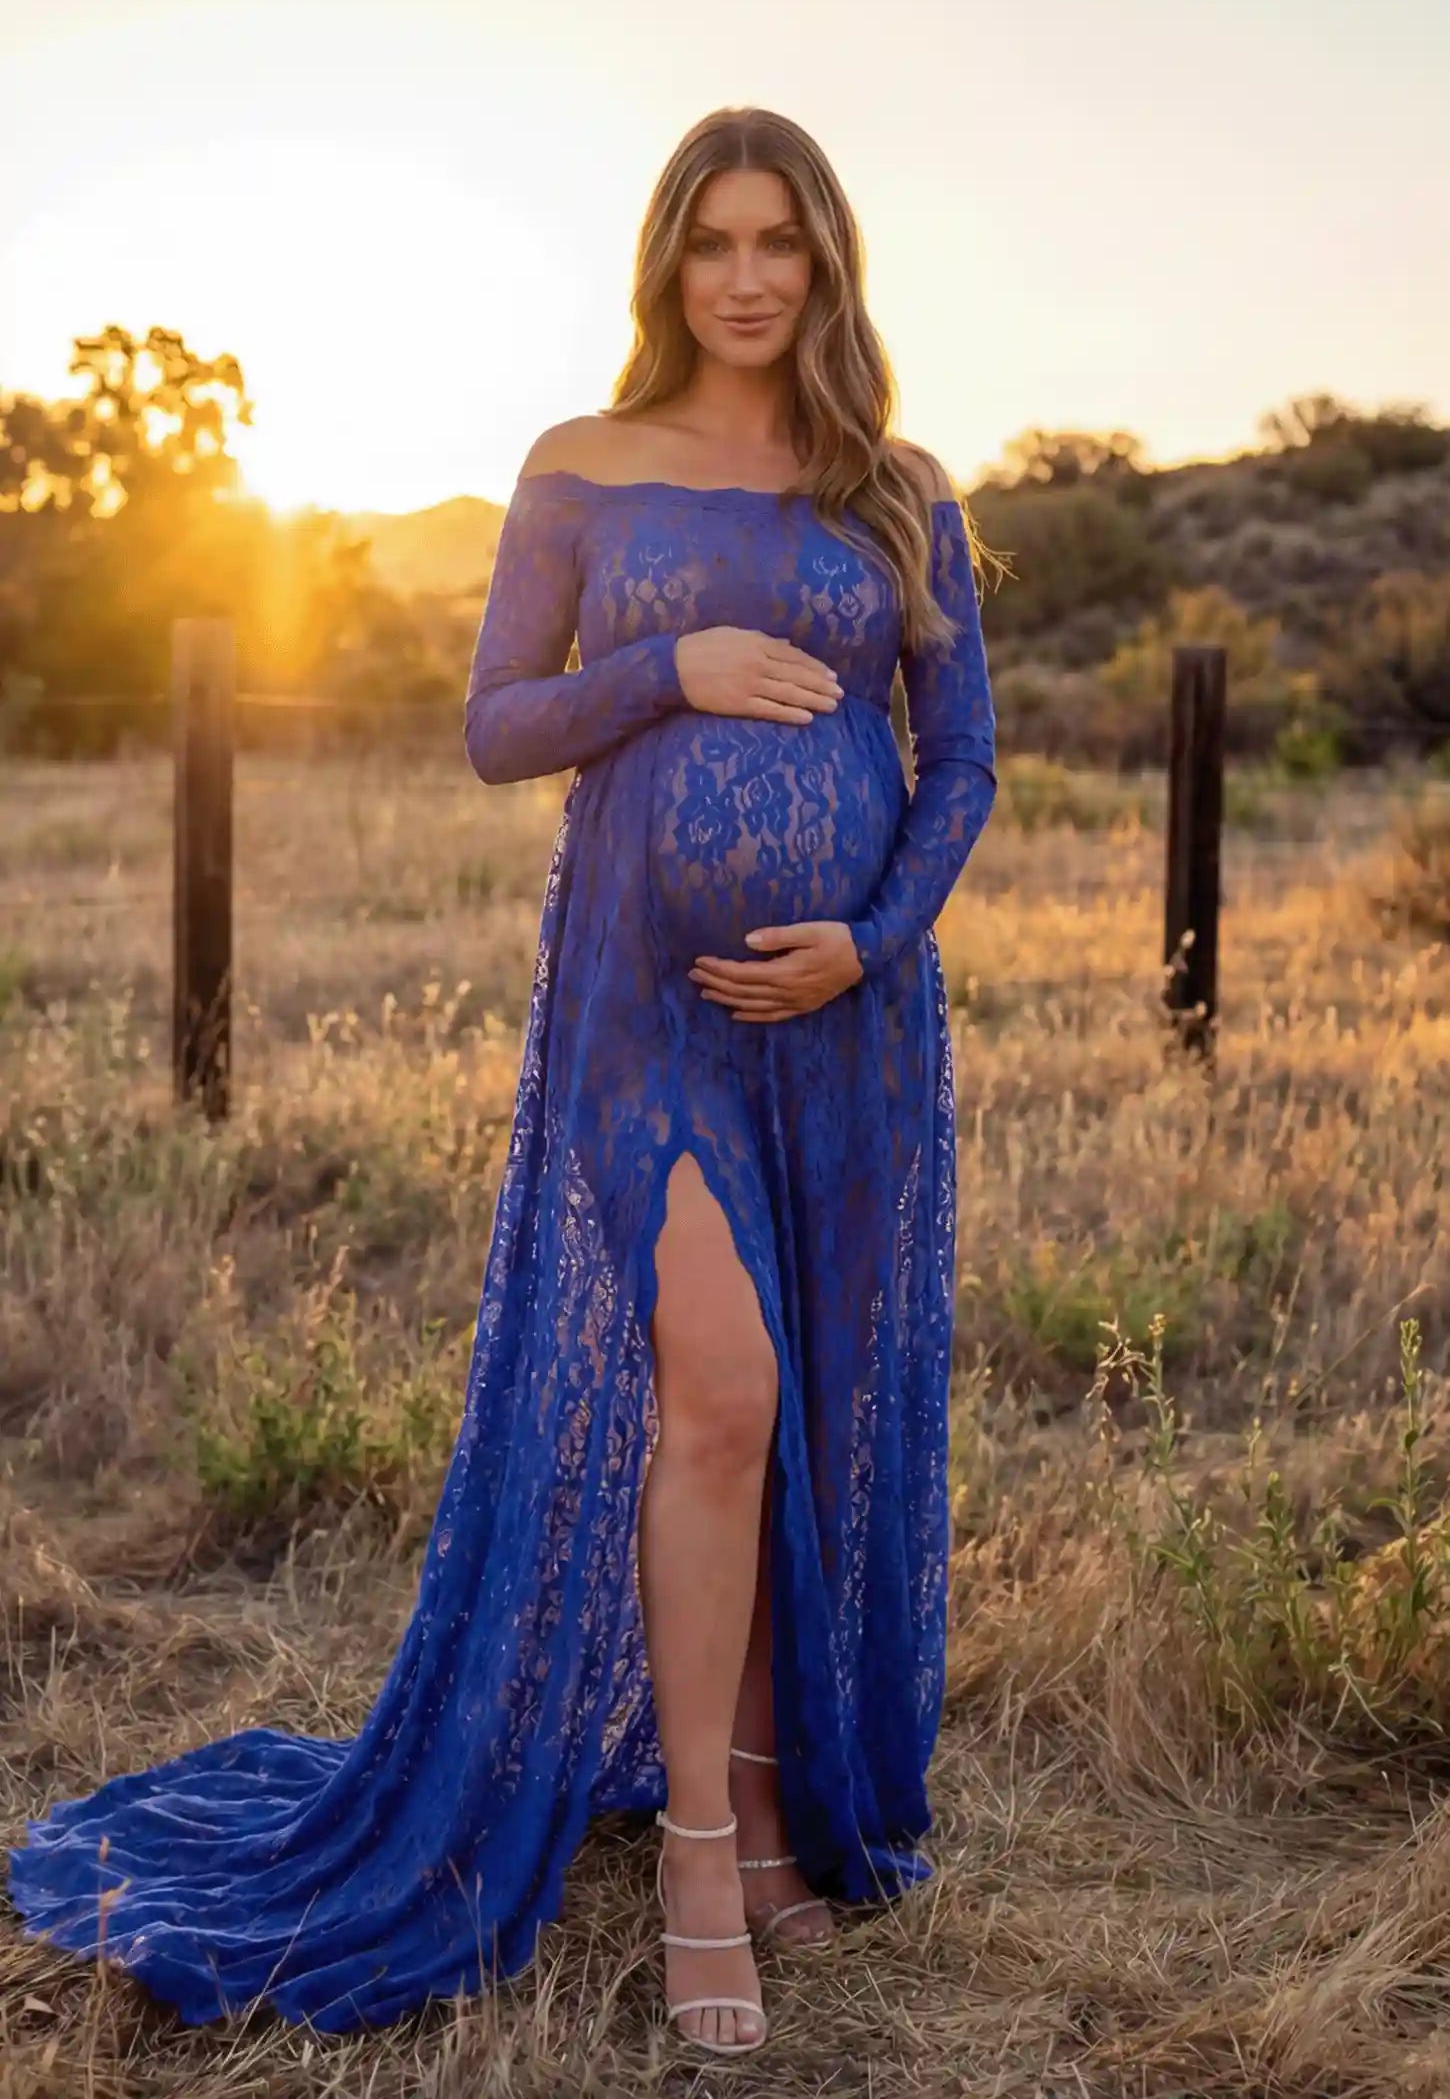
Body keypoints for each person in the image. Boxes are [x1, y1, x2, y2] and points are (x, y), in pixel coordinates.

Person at [5, 103, 997, 2059]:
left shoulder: (897, 485)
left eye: (775, 242)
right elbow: (492, 723)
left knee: (803, 1417)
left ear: (823, 260)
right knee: (717, 1384)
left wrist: (867, 938)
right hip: (643, 1011)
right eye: (708, 240)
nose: (741, 274)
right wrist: (672, 664)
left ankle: (784, 1792)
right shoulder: (581, 465)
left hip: (849, 1020)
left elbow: (956, 757)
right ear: (664, 260)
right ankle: (704, 1850)